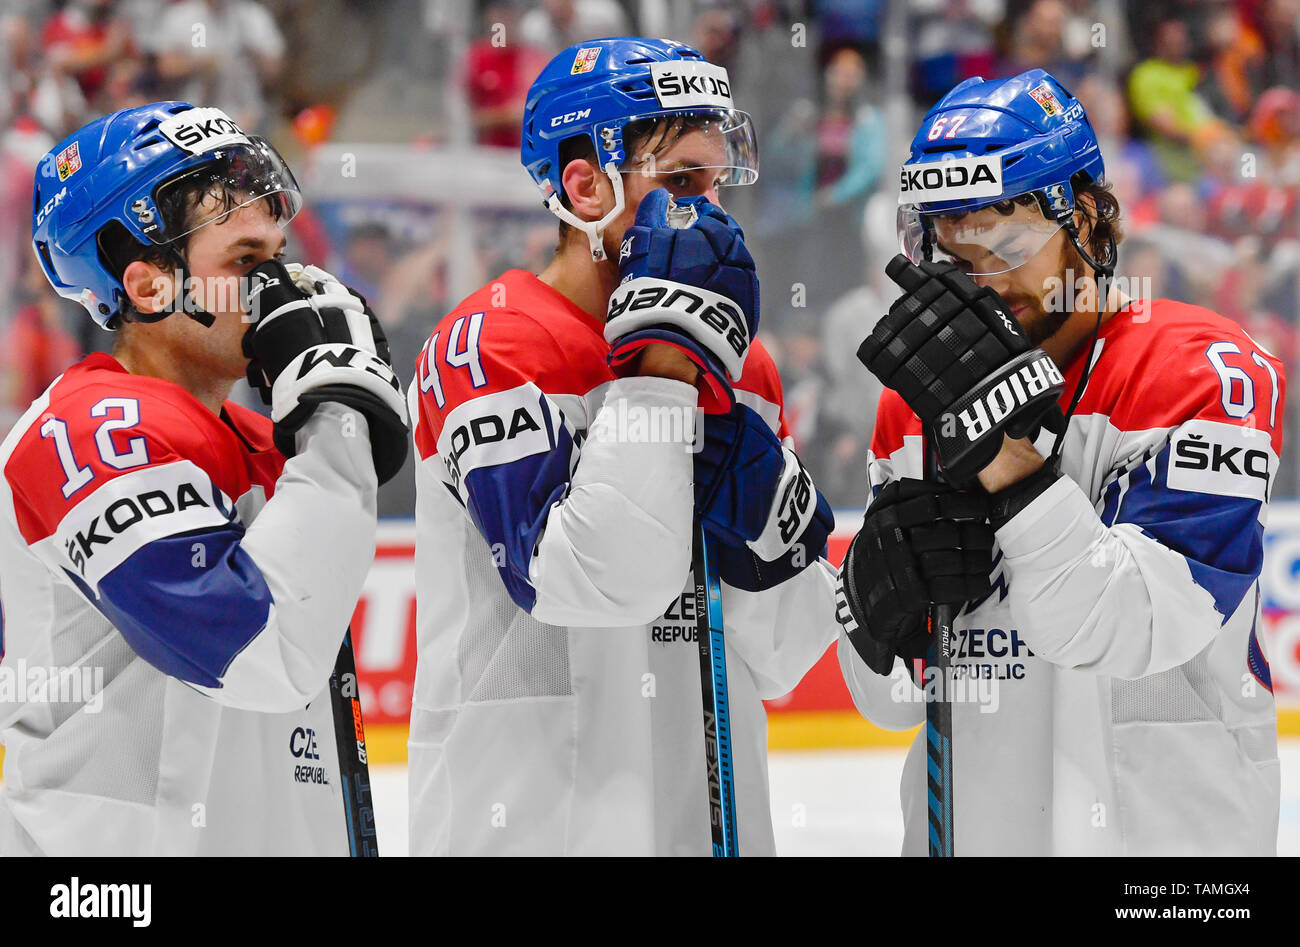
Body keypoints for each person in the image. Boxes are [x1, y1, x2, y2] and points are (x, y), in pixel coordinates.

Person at [409, 37, 839, 856]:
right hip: (534, 825)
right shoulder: (491, 345)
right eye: (681, 182)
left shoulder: (743, 363)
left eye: (716, 181)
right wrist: (663, 373)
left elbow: (779, 654)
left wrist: (777, 535)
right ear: (585, 185)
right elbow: (584, 583)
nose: (711, 209)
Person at [837, 69, 1285, 855]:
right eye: (956, 256)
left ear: (1083, 218)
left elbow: (1129, 625)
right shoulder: (911, 404)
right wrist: (875, 616)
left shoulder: (1200, 368)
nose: (986, 282)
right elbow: (893, 704)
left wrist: (1011, 467)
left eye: (1009, 247)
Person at [0, 101, 408, 855]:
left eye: (279, 256)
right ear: (151, 285)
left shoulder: (270, 440)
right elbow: (264, 651)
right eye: (246, 262)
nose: (283, 286)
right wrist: (339, 417)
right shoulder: (89, 431)